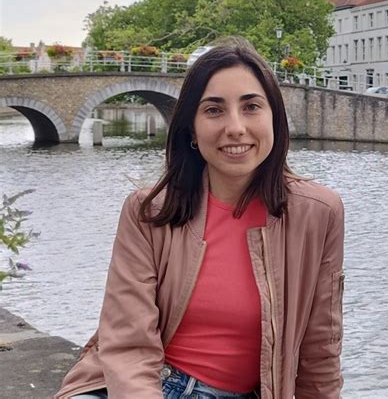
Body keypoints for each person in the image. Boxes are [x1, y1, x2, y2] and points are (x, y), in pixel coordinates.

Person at [55, 43, 344, 399]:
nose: (235, 128)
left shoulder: (318, 213)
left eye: (251, 107)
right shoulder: (149, 212)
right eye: (214, 110)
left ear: (275, 118)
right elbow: (129, 345)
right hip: (141, 386)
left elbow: (320, 353)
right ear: (191, 129)